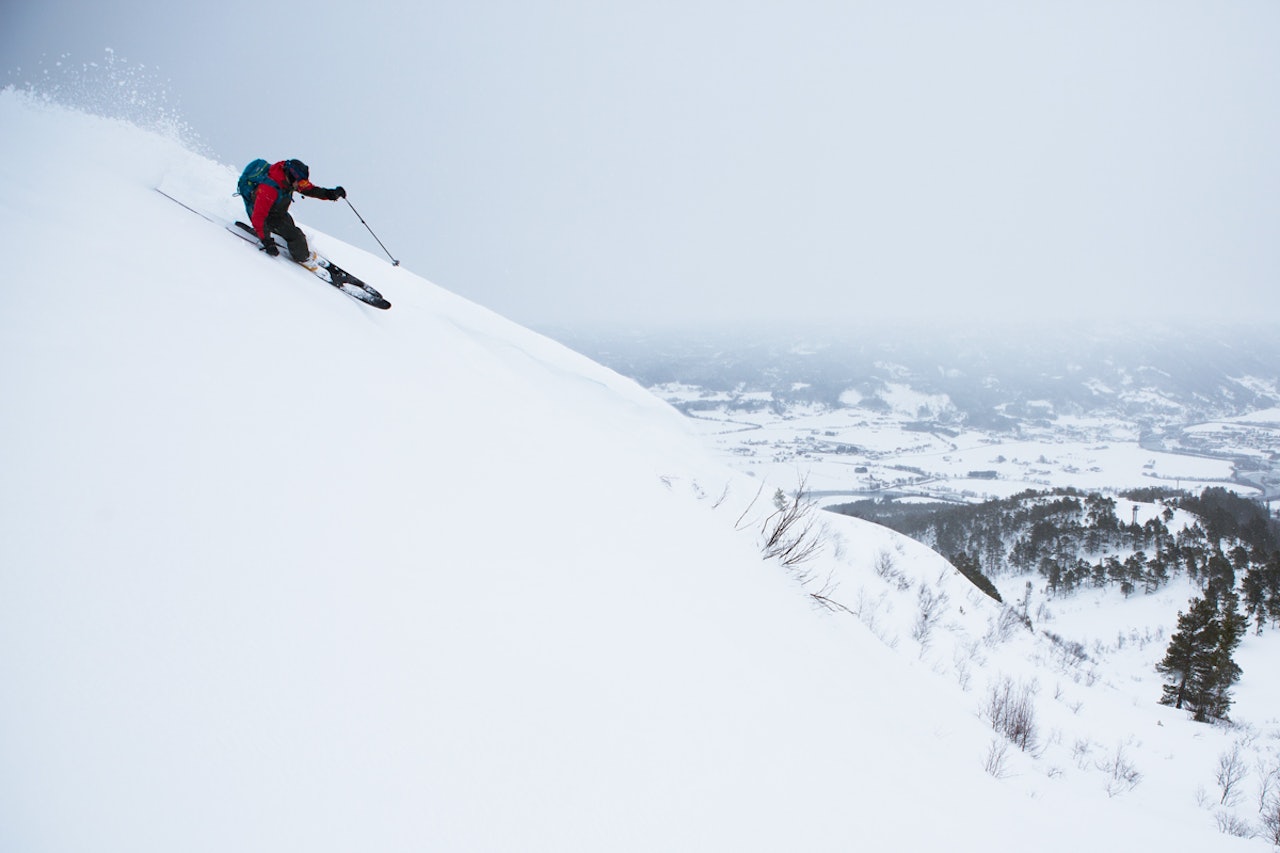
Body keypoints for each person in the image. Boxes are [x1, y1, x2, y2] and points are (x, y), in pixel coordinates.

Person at [247, 159, 346, 263]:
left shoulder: (288, 180)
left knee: (290, 227)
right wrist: (266, 242)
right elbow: (258, 216)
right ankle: (303, 259)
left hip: (278, 212)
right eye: (301, 182)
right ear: (292, 176)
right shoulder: (269, 188)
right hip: (267, 216)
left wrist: (331, 194)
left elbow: (311, 190)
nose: (302, 185)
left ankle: (295, 247)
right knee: (296, 236)